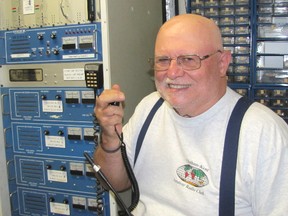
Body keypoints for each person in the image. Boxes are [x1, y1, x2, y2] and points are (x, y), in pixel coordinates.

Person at [94, 14, 288, 215]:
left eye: (188, 59)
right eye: (163, 60)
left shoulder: (263, 133)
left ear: (222, 63)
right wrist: (110, 139)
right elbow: (116, 183)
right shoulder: (150, 107)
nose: (172, 72)